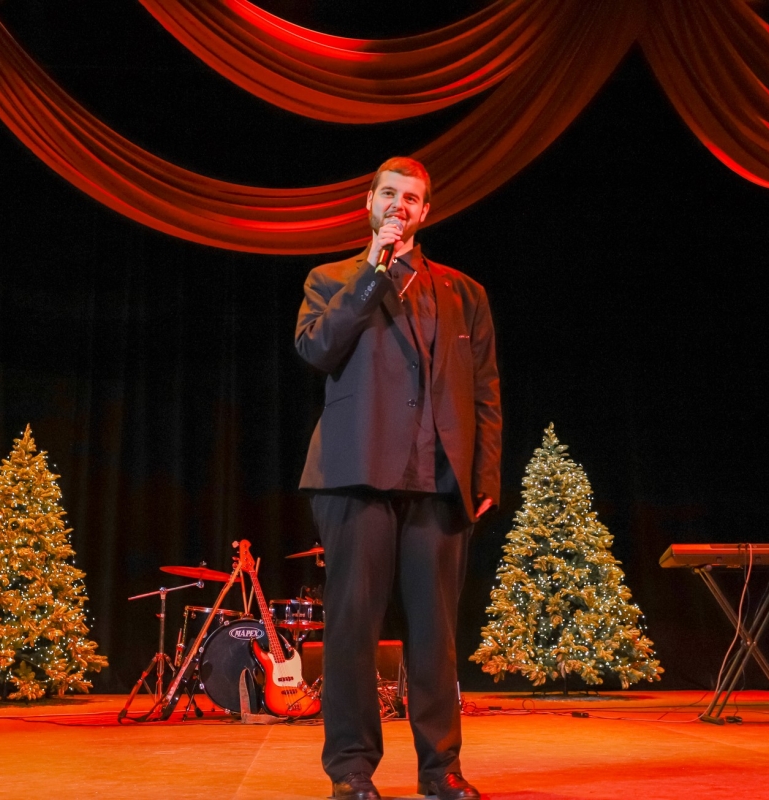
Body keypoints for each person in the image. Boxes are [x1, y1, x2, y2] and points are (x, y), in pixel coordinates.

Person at [295, 157, 501, 800]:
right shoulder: (332, 278)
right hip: (354, 475)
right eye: (389, 194)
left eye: (412, 198)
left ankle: (441, 769)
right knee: (352, 630)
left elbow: (486, 389)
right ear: (369, 203)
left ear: (425, 212)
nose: (399, 205)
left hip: (438, 479)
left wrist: (484, 472)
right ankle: (352, 770)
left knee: (435, 635)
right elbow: (316, 349)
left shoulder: (464, 292)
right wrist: (372, 273)